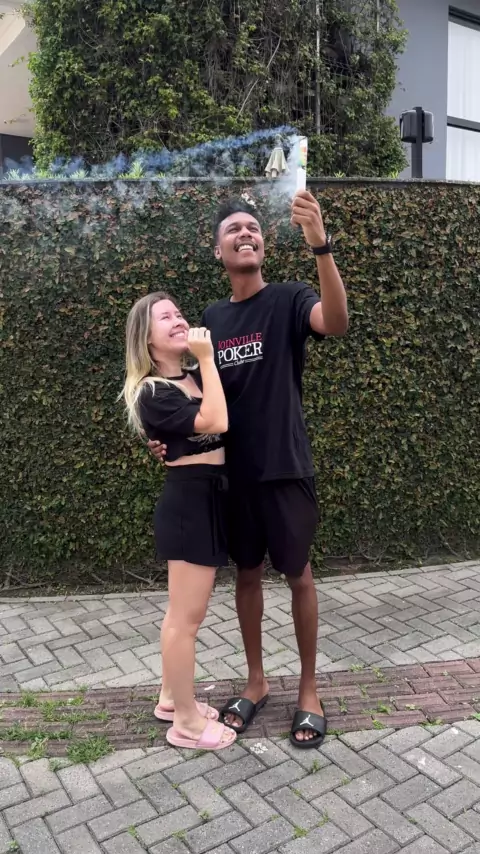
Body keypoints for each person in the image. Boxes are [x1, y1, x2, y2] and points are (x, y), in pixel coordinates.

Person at [148, 190, 348, 749]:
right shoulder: (212, 318)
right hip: (231, 476)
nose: (245, 233)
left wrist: (321, 245)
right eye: (233, 228)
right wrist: (167, 440)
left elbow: (335, 322)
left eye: (253, 227)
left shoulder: (289, 298)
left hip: (285, 467)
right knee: (248, 576)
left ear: (263, 243)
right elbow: (189, 394)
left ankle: (309, 689)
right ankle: (256, 682)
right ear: (218, 251)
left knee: (299, 575)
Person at [122, 292, 236, 751]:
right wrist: (207, 356)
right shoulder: (152, 390)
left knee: (182, 614)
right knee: (185, 620)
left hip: (209, 496)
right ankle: (186, 723)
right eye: (164, 317)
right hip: (189, 502)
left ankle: (171, 698)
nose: (178, 320)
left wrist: (203, 365)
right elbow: (217, 420)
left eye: (178, 313)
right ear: (146, 339)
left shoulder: (190, 378)